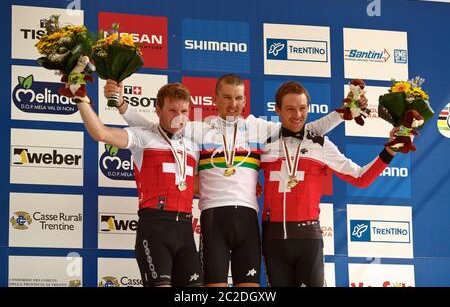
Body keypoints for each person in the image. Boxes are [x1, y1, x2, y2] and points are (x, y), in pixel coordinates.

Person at [104, 74, 367, 287]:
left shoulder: (258, 127)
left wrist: (343, 113)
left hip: (247, 220)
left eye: (238, 98)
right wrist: (123, 105)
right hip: (213, 218)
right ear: (215, 99)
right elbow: (154, 129)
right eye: (227, 97)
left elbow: (303, 129)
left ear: (245, 100)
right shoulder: (200, 127)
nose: (233, 103)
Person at [73, 70, 204, 287]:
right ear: (158, 110)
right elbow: (101, 133)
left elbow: (195, 186)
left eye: (184, 111)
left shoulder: (193, 146)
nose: (178, 117)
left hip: (186, 230)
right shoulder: (143, 137)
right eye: (172, 110)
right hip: (155, 228)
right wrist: (81, 99)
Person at [260, 81, 397, 287]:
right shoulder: (265, 144)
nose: (297, 114)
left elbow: (361, 178)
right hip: (273, 238)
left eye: (303, 108)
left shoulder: (321, 144)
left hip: (309, 239)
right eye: (290, 109)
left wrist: (390, 151)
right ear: (277, 110)